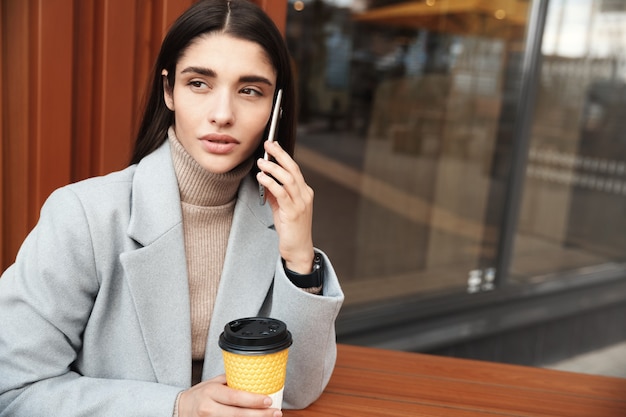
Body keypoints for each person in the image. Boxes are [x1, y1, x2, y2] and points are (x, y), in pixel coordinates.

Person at [0, 1, 344, 416]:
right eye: (199, 83)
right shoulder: (83, 216)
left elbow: (295, 392)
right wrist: (175, 408)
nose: (222, 115)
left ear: (276, 108)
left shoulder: (276, 219)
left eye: (250, 90)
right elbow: (14, 388)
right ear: (169, 91)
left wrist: (299, 260)